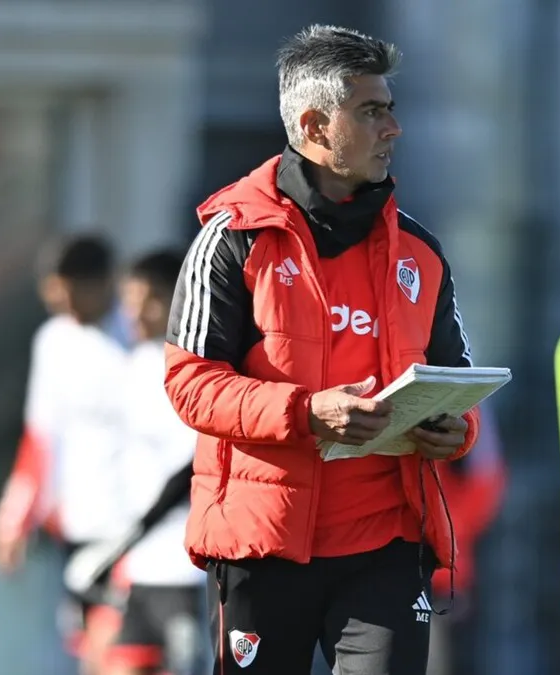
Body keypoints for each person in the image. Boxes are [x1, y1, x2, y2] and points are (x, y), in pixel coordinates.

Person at [164, 25, 480, 675]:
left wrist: (456, 427)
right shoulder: (230, 239)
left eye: (391, 110)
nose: (393, 129)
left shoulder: (420, 252)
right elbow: (189, 383)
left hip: (386, 542)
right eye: (372, 111)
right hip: (262, 543)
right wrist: (307, 411)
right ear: (313, 126)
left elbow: (457, 378)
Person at [0, 234, 133, 675]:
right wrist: (13, 519)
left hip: (134, 530)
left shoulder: (146, 336)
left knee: (120, 656)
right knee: (92, 656)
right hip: (77, 530)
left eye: (72, 295)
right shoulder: (53, 341)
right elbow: (40, 439)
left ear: (103, 283)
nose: (65, 308)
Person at [107, 250, 208, 675]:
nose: (136, 312)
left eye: (148, 299)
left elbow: (194, 464)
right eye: (129, 300)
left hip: (185, 568)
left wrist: (145, 522)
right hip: (139, 565)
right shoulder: (129, 367)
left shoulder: (193, 366)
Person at [426, 403, 507, 675]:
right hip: (391, 567)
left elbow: (486, 480)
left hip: (444, 574)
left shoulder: (469, 398)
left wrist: (447, 535)